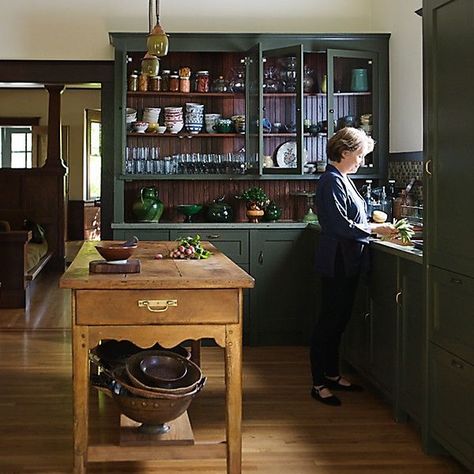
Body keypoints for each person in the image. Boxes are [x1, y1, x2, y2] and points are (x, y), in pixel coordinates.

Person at [310, 127, 397, 406]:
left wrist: (374, 226)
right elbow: (338, 225)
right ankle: (318, 383)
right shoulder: (331, 181)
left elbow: (351, 217)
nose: (361, 161)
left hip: (347, 260)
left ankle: (332, 374)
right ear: (345, 152)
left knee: (339, 321)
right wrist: (375, 229)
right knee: (329, 322)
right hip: (337, 260)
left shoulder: (344, 178)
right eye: (359, 155)